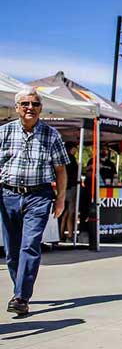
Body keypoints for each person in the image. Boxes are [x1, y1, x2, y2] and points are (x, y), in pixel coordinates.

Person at [0, 88, 68, 315]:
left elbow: (60, 170)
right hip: (7, 195)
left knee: (30, 245)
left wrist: (60, 199)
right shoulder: (4, 132)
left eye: (35, 104)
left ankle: (21, 296)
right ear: (17, 107)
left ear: (41, 109)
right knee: (12, 250)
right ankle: (19, 287)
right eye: (26, 104)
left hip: (39, 196)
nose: (31, 108)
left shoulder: (51, 135)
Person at [60, 142, 80, 242]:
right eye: (75, 148)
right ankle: (70, 234)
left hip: (64, 187)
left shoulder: (62, 158)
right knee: (70, 212)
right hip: (71, 187)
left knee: (64, 213)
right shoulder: (71, 159)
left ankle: (61, 233)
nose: (76, 150)